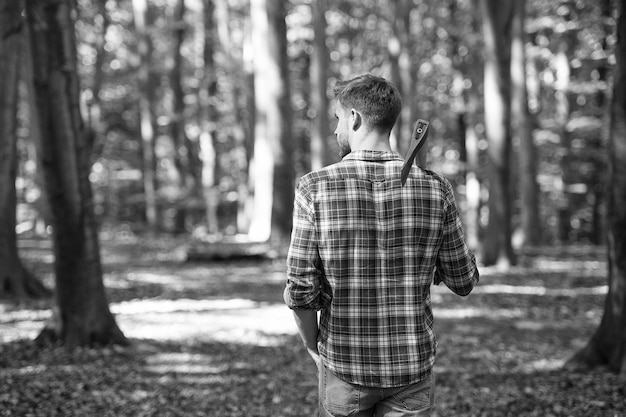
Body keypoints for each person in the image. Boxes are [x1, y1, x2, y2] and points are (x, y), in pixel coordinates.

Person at [284, 74, 479, 416]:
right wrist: (428, 257)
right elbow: (463, 281)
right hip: (411, 370)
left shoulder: (314, 188)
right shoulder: (436, 189)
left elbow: (301, 290)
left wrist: (314, 349)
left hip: (344, 369)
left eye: (338, 119)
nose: (335, 130)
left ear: (355, 118)